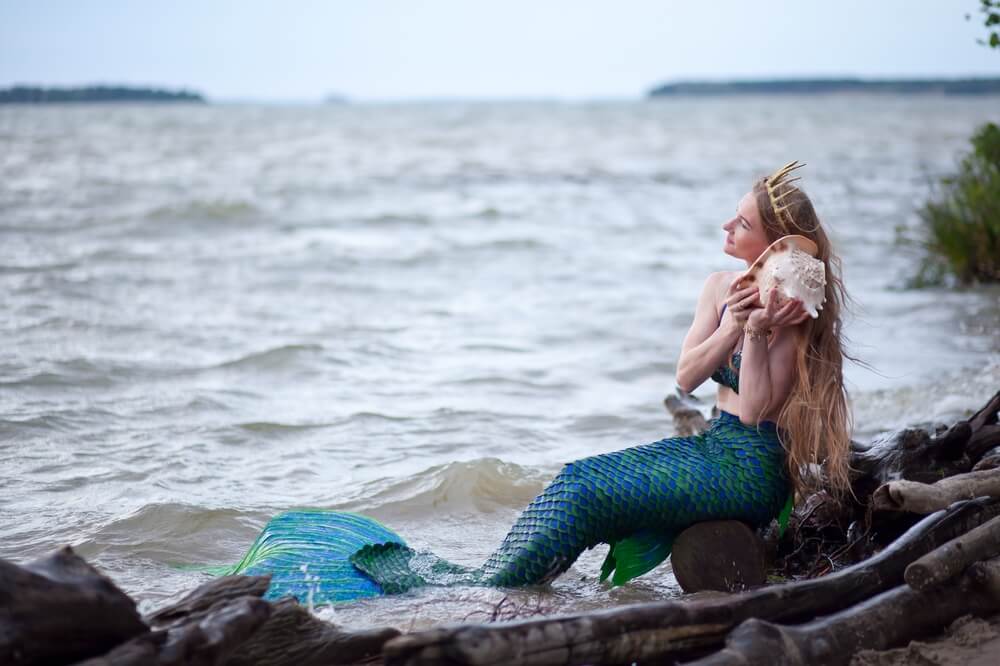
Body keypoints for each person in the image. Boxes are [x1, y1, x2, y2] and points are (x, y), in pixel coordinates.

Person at [230, 162, 857, 603]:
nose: (725, 227)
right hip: (709, 445)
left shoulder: (789, 311)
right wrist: (729, 327)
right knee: (576, 476)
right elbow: (686, 377)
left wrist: (755, 331)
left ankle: (493, 589)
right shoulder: (719, 288)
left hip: (746, 468)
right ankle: (495, 581)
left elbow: (751, 414)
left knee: (586, 490)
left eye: (741, 224)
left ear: (772, 245)